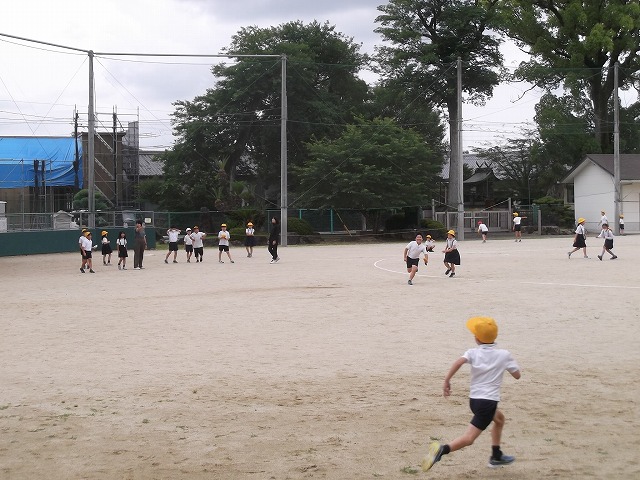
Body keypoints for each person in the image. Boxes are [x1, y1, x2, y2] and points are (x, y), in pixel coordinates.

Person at [421, 316, 521, 472]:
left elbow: (459, 362)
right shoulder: (504, 355)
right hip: (488, 403)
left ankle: (496, 455)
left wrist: (447, 380)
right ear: (495, 336)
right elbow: (517, 375)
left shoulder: (473, 352)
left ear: (477, 338)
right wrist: (505, 365)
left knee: (499, 419)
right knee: (469, 439)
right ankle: (442, 449)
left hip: (475, 401)